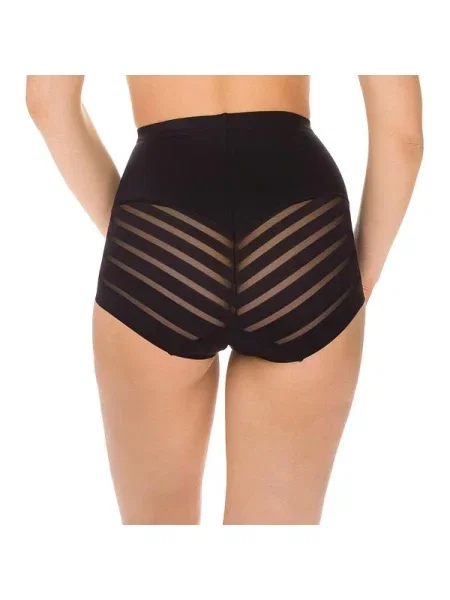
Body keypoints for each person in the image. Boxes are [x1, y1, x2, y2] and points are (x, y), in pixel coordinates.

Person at [26, 75, 423, 524]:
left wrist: (135, 237)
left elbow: (46, 103)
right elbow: (403, 137)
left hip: (162, 214)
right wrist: (359, 280)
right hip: (299, 232)